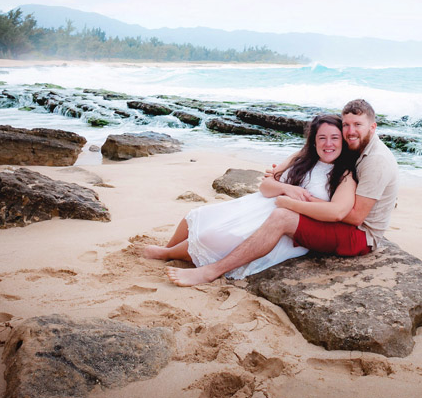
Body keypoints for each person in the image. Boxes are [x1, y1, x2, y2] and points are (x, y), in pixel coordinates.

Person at [166, 99, 399, 286]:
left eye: (357, 125)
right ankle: (168, 252)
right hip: (331, 216)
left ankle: (212, 271)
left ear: (372, 127)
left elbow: (353, 216)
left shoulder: (375, 160)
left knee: (281, 217)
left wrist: (296, 201)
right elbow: (311, 150)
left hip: (360, 234)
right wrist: (286, 176)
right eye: (346, 125)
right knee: (214, 217)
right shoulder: (351, 146)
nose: (350, 131)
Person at [144, 114, 358, 279]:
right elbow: (266, 186)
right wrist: (286, 189)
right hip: (259, 204)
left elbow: (337, 211)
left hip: (284, 225)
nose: (328, 144)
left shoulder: (344, 174)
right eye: (322, 138)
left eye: (334, 138)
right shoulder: (302, 158)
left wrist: (290, 201)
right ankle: (167, 250)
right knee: (198, 215)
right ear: (314, 141)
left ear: (343, 141)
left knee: (214, 237)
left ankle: (169, 255)